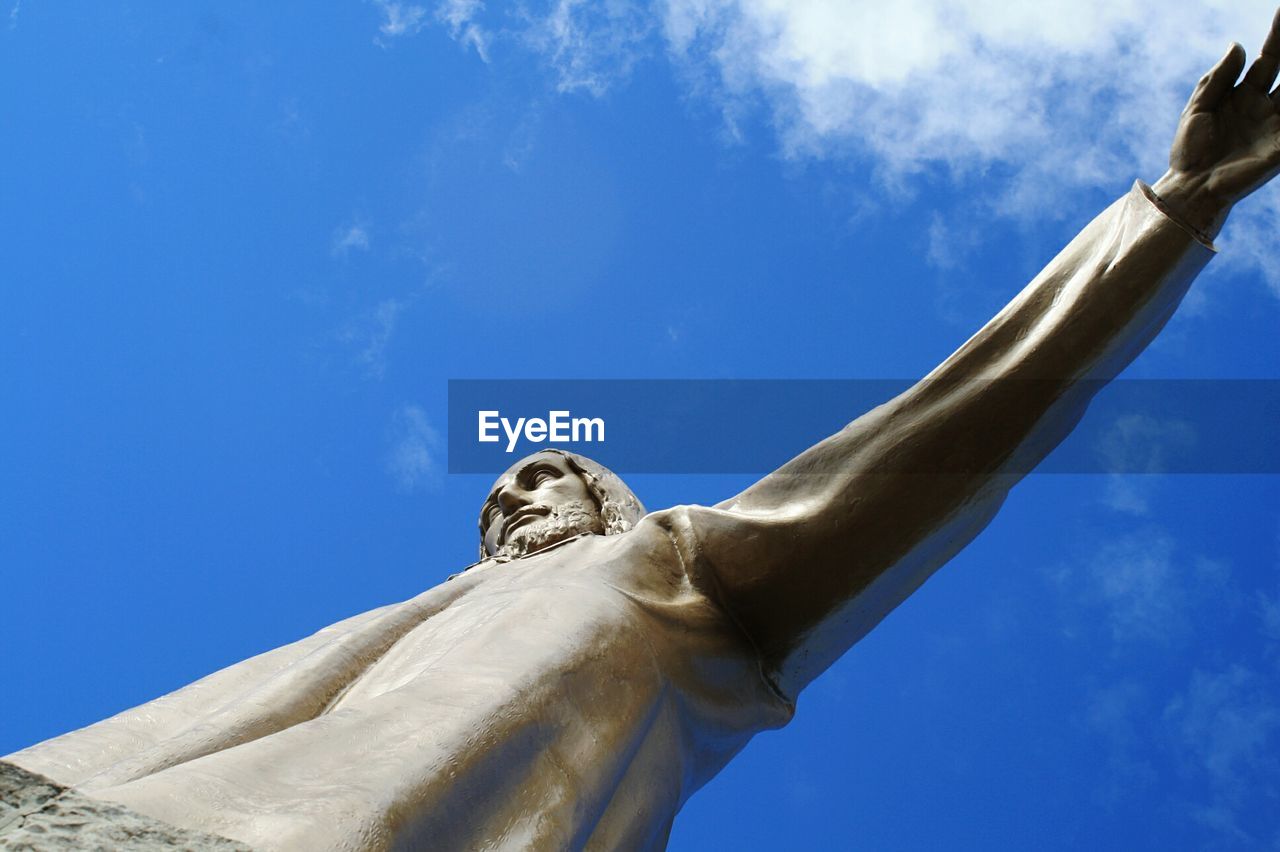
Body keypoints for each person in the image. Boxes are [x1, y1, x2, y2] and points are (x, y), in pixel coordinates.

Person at [6, 12, 1280, 851]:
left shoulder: (677, 577)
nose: (512, 497)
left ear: (613, 496)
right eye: (497, 491)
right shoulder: (387, 626)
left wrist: (1159, 220)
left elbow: (957, 424)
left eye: (546, 469)